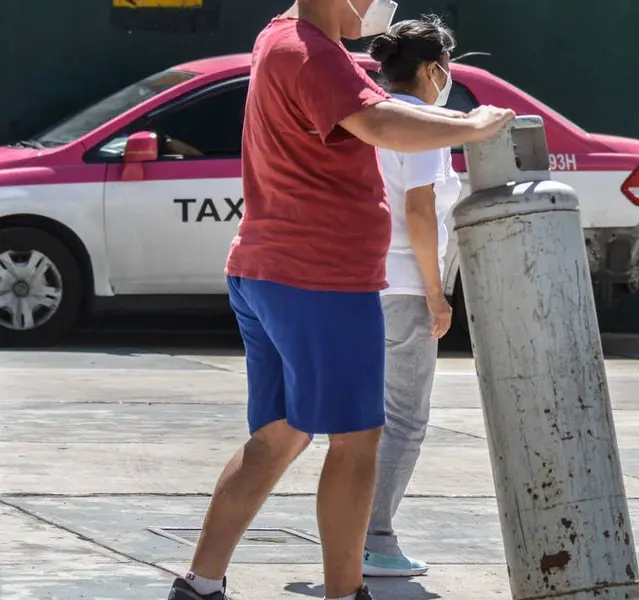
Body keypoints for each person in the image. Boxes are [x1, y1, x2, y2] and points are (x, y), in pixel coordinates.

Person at [164, 1, 514, 599]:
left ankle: (199, 585)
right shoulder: (309, 52)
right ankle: (346, 593)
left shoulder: (281, 37)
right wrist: (471, 125)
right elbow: (381, 125)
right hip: (320, 278)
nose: (380, 4)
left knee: (278, 436)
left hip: (267, 270)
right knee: (356, 442)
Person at [359, 16, 462, 579]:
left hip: (361, 282)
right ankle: (374, 537)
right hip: (402, 286)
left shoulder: (372, 117)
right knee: (405, 419)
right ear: (431, 69)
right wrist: (436, 293)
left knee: (365, 418)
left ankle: (352, 530)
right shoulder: (422, 122)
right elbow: (420, 211)